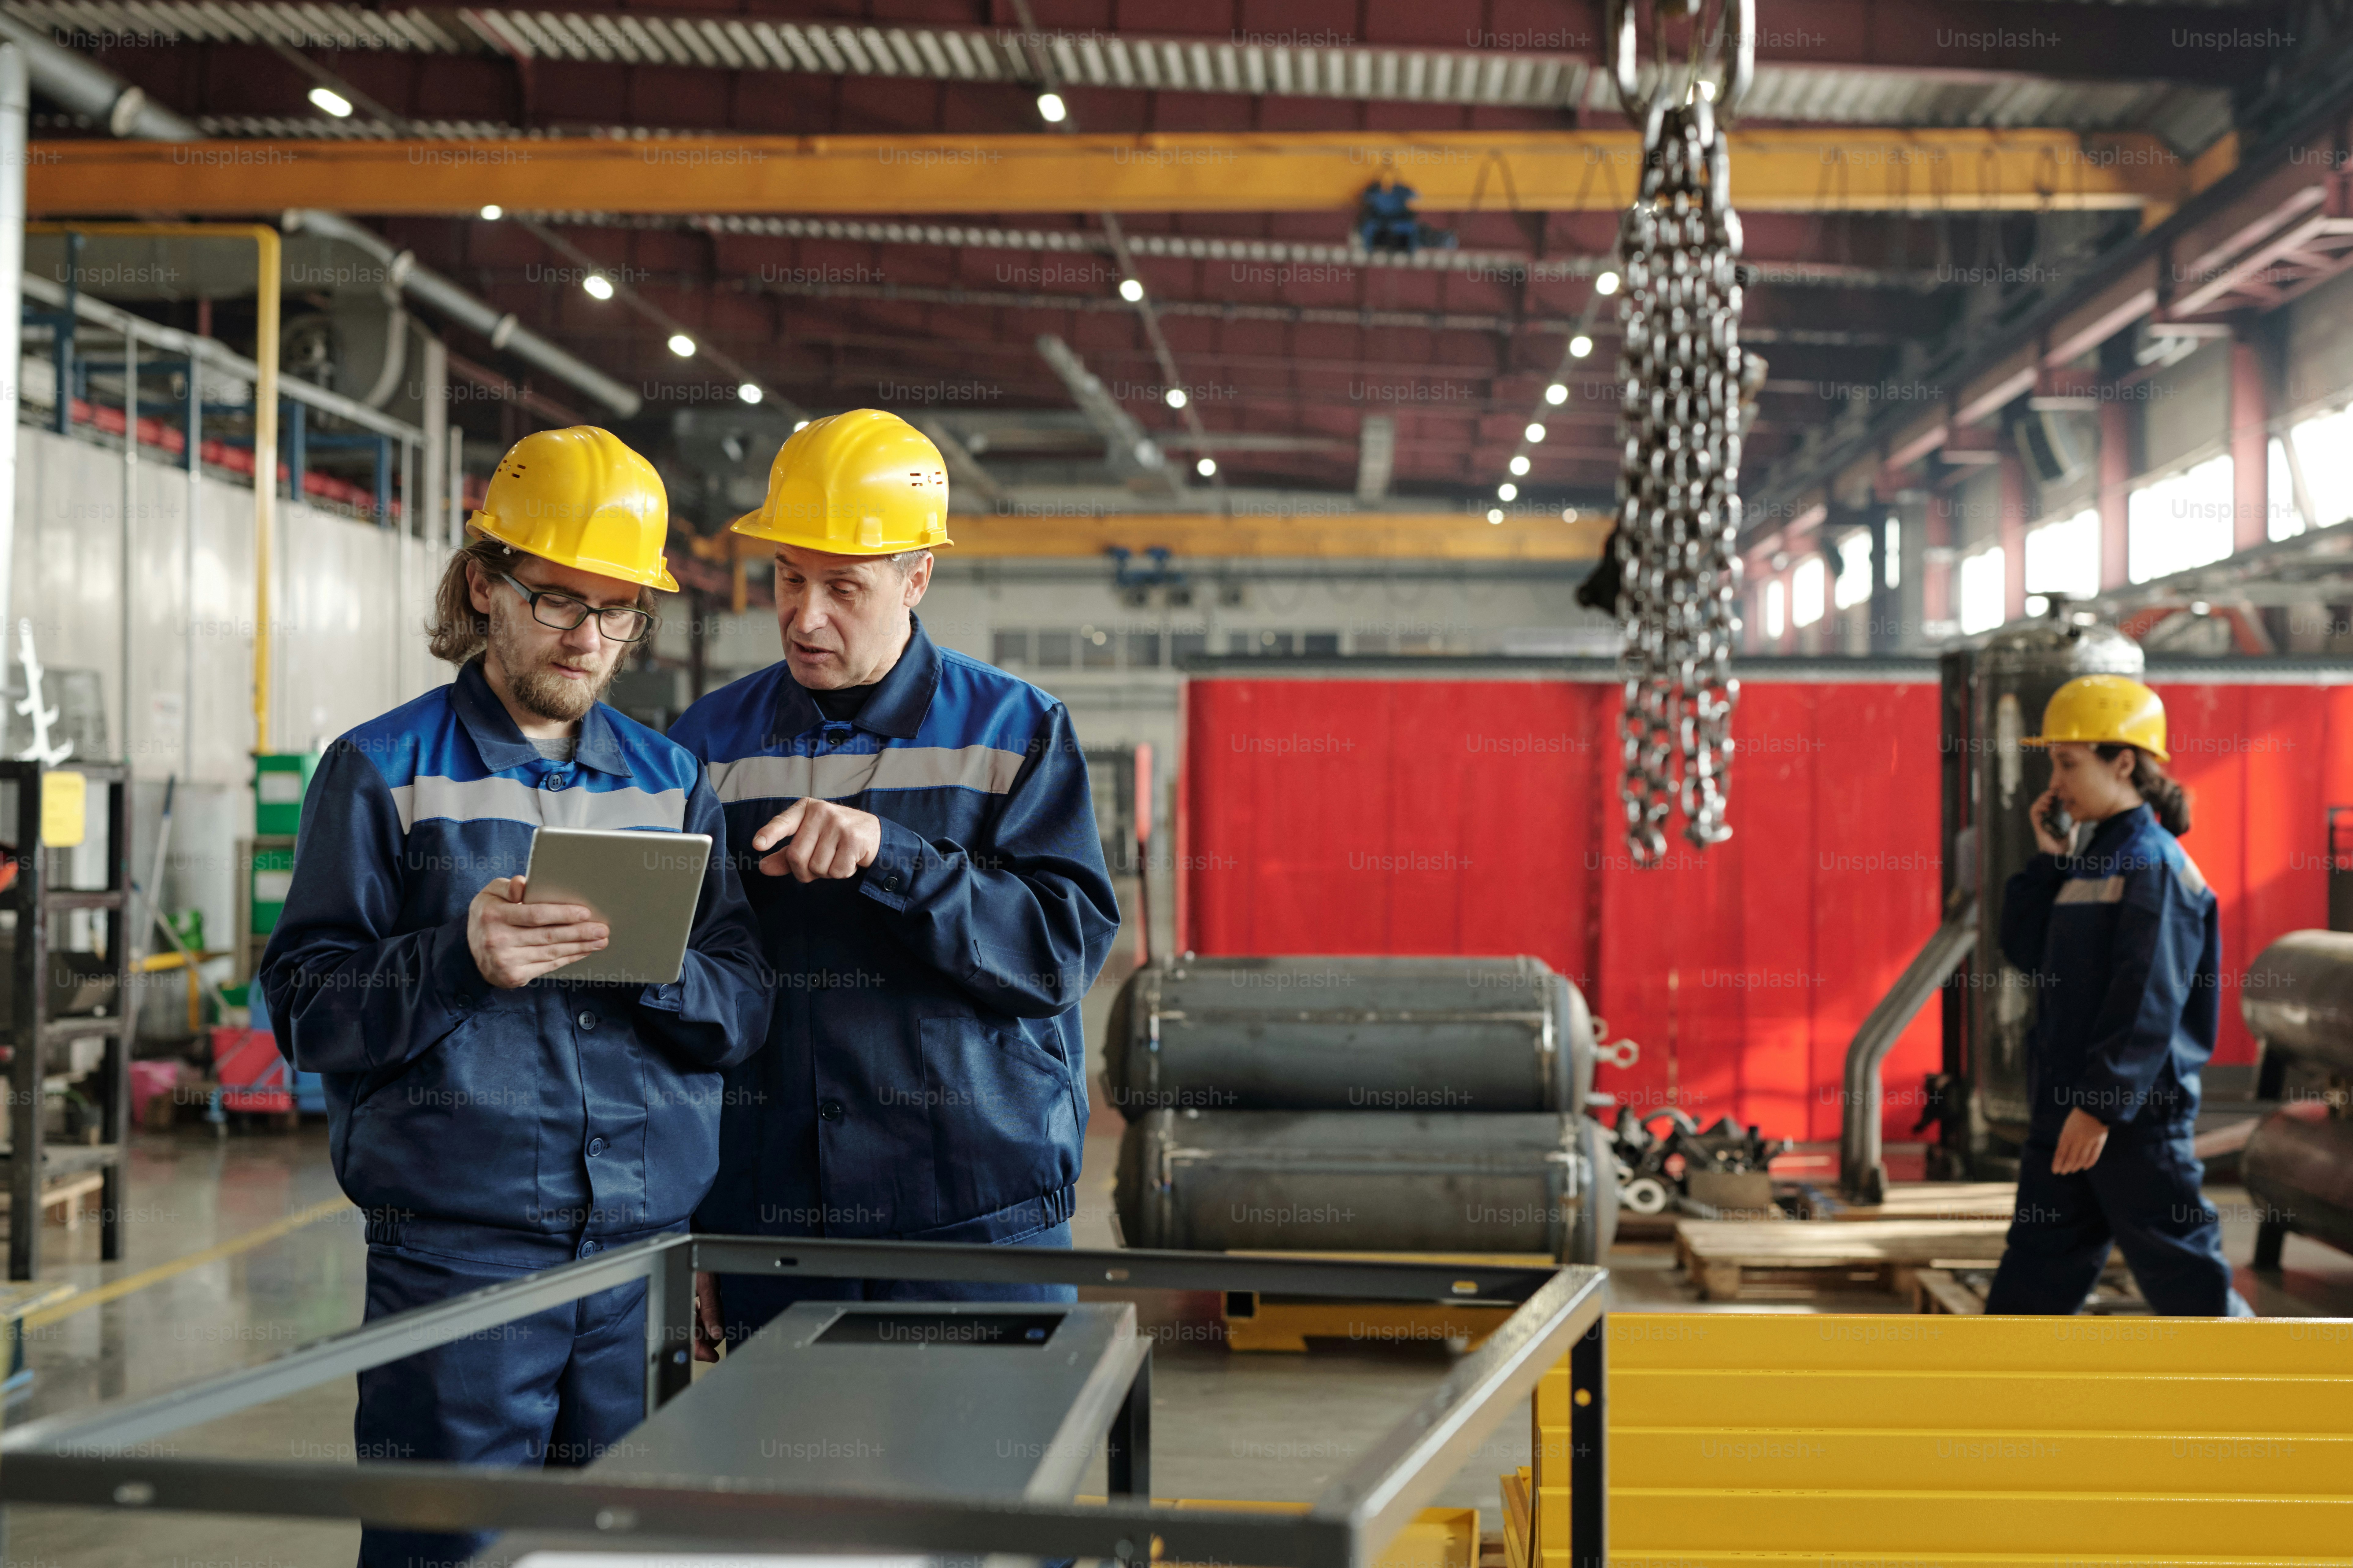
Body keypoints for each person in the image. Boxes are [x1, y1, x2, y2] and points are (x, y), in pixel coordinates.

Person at [258, 426, 771, 1568]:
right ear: (483, 584)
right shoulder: (383, 770)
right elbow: (305, 1008)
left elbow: (744, 1003)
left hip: (640, 1255)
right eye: (556, 601)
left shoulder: (670, 777)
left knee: (625, 1552)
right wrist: (455, 958)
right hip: (460, 1261)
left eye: (619, 609)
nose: (589, 639)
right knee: (449, 1551)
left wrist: (659, 964)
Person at [667, 409, 1120, 1356]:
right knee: (791, 1494)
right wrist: (701, 1220)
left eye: (844, 586)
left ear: (917, 577)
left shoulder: (1016, 731)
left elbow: (1055, 953)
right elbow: (690, 997)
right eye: (790, 578)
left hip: (975, 1217)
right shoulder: (708, 744)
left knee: (981, 1493)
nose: (805, 615)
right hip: (774, 1224)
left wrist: (895, 856)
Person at [1985, 674, 2250, 1316]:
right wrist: (2049, 856)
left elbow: (2147, 998)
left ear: (2123, 762)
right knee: (2031, 1282)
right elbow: (2023, 951)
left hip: (2130, 1126)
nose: (2054, 783)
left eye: (2067, 763)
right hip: (2067, 1116)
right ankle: (1997, 1407)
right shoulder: (2090, 861)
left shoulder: (2152, 866)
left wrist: (2099, 1108)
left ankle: (2251, 1404)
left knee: (2188, 1283)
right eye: (2052, 762)